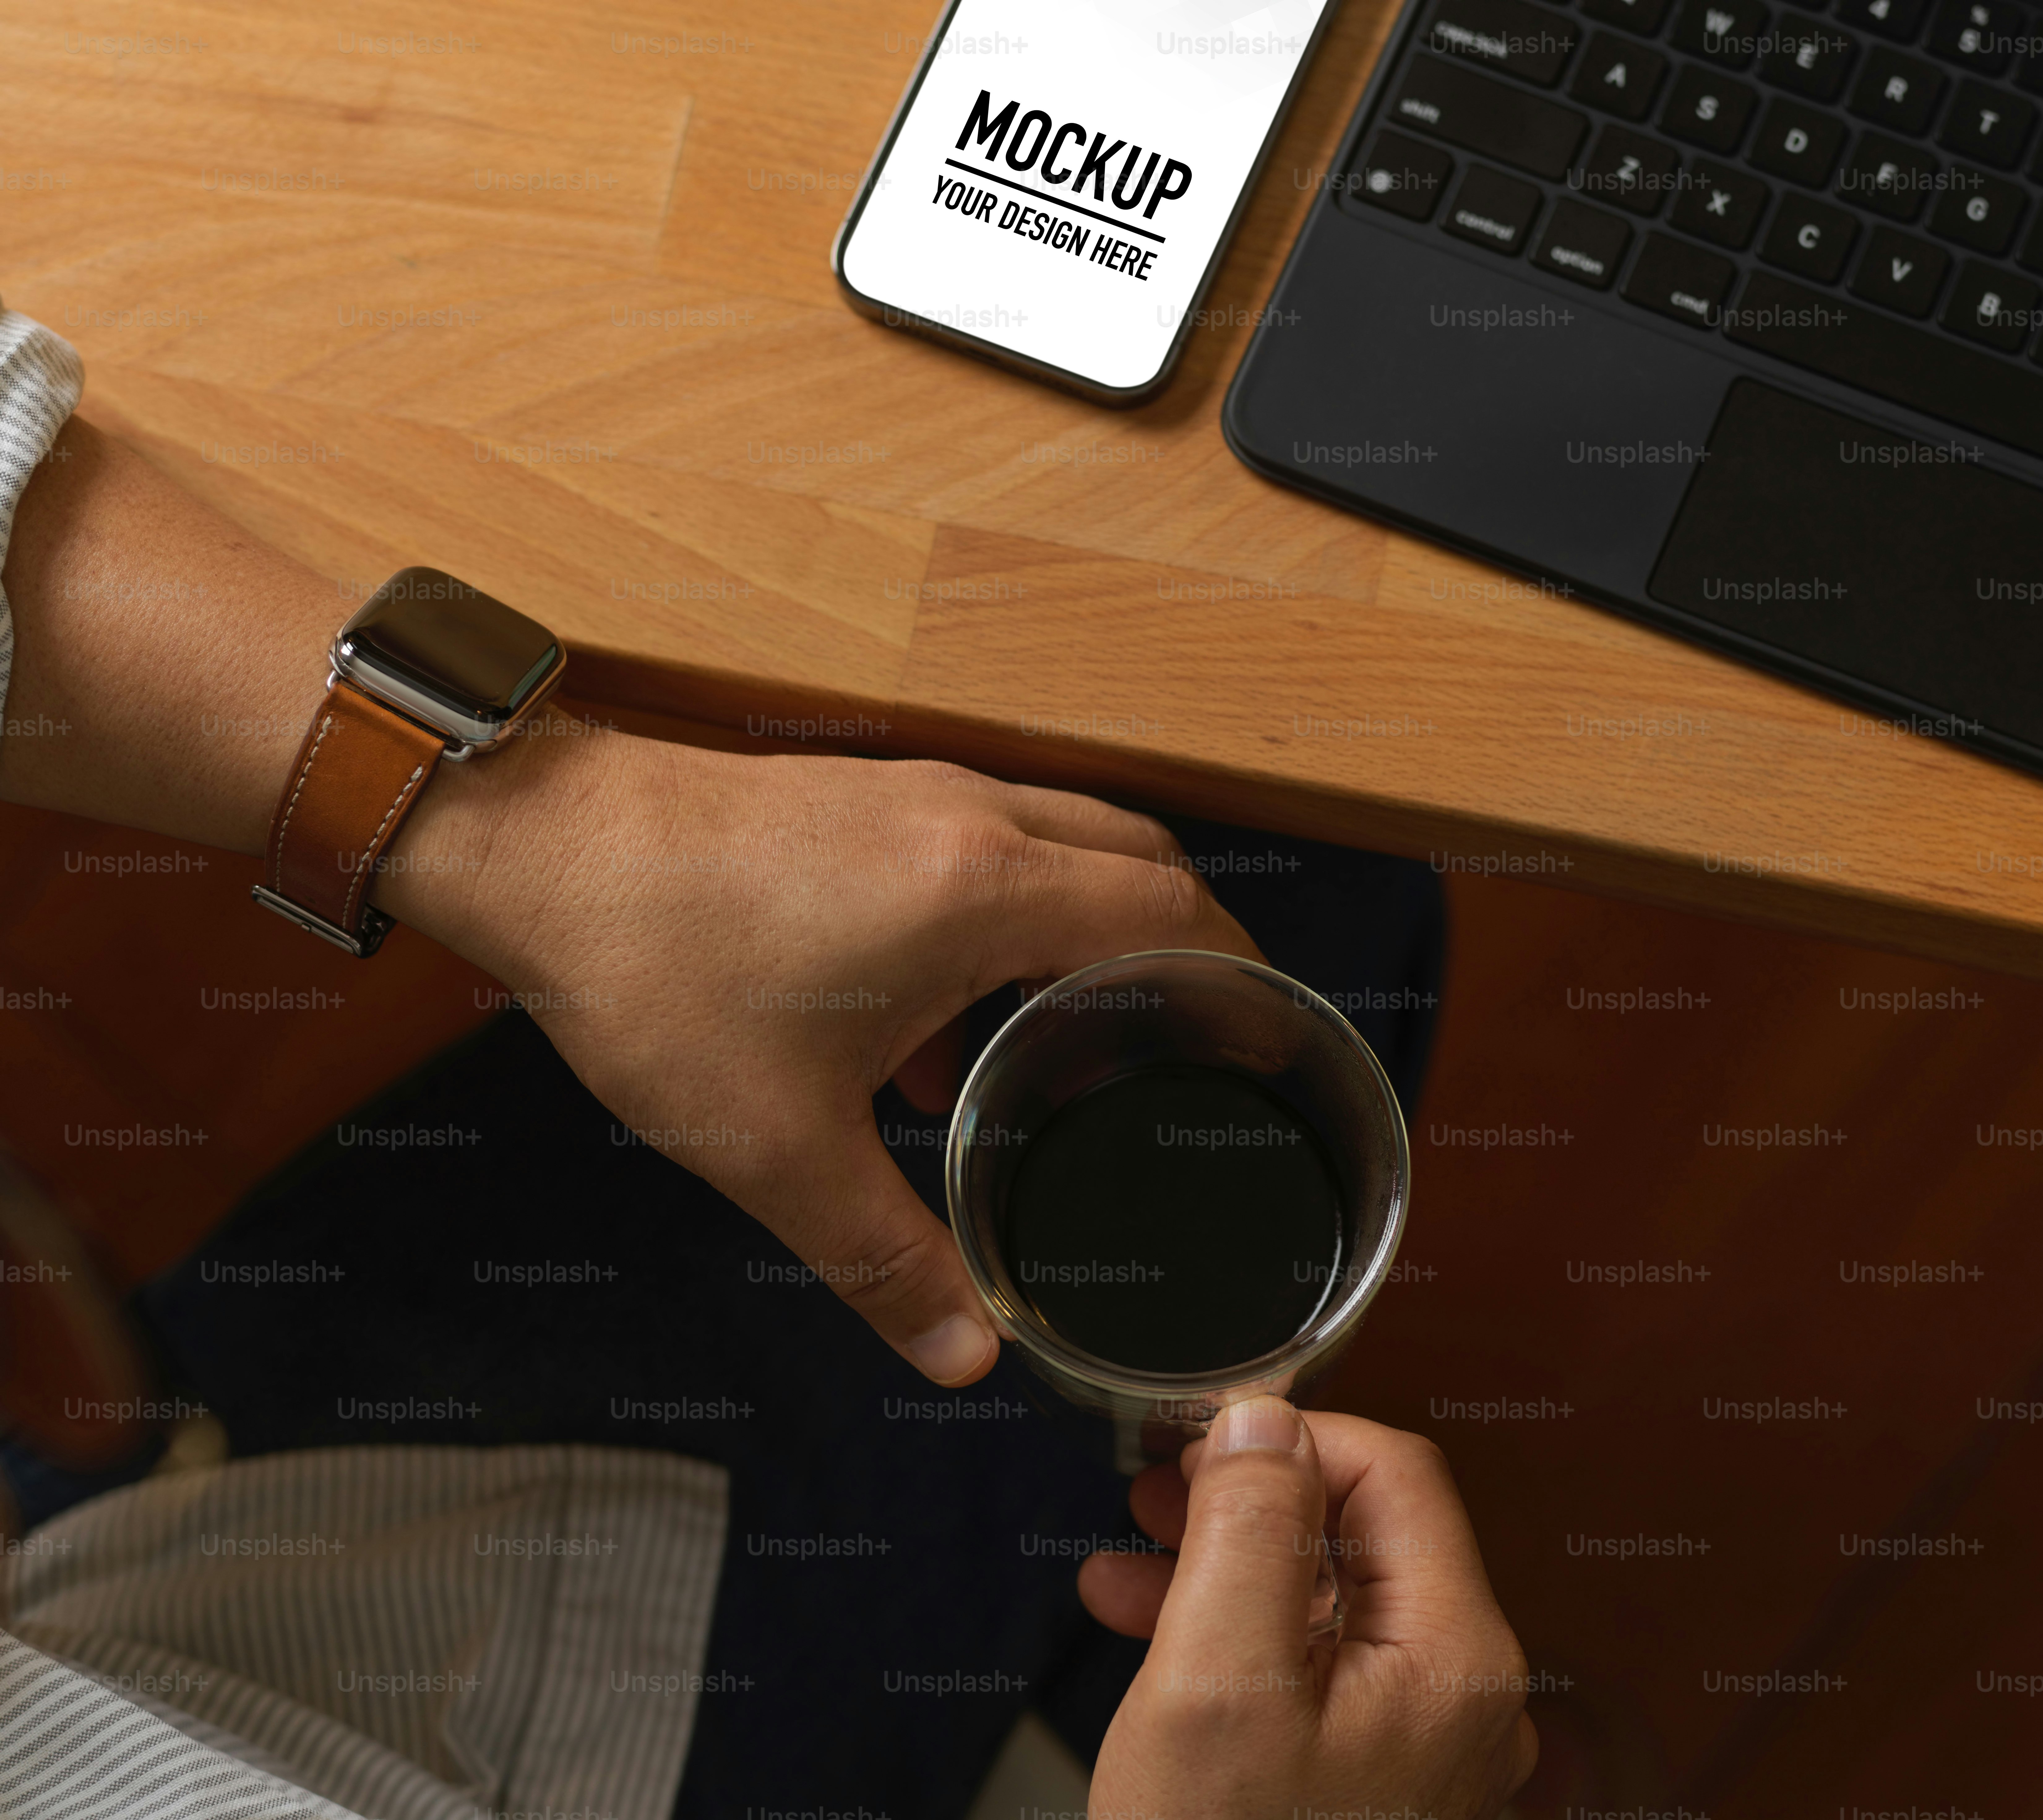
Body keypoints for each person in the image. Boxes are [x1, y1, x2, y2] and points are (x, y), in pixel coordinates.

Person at [0, 301, 1540, 1812]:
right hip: (647, 1723)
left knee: (1231, 888)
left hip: (244, 1566)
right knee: (1327, 902)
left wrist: (545, 830)